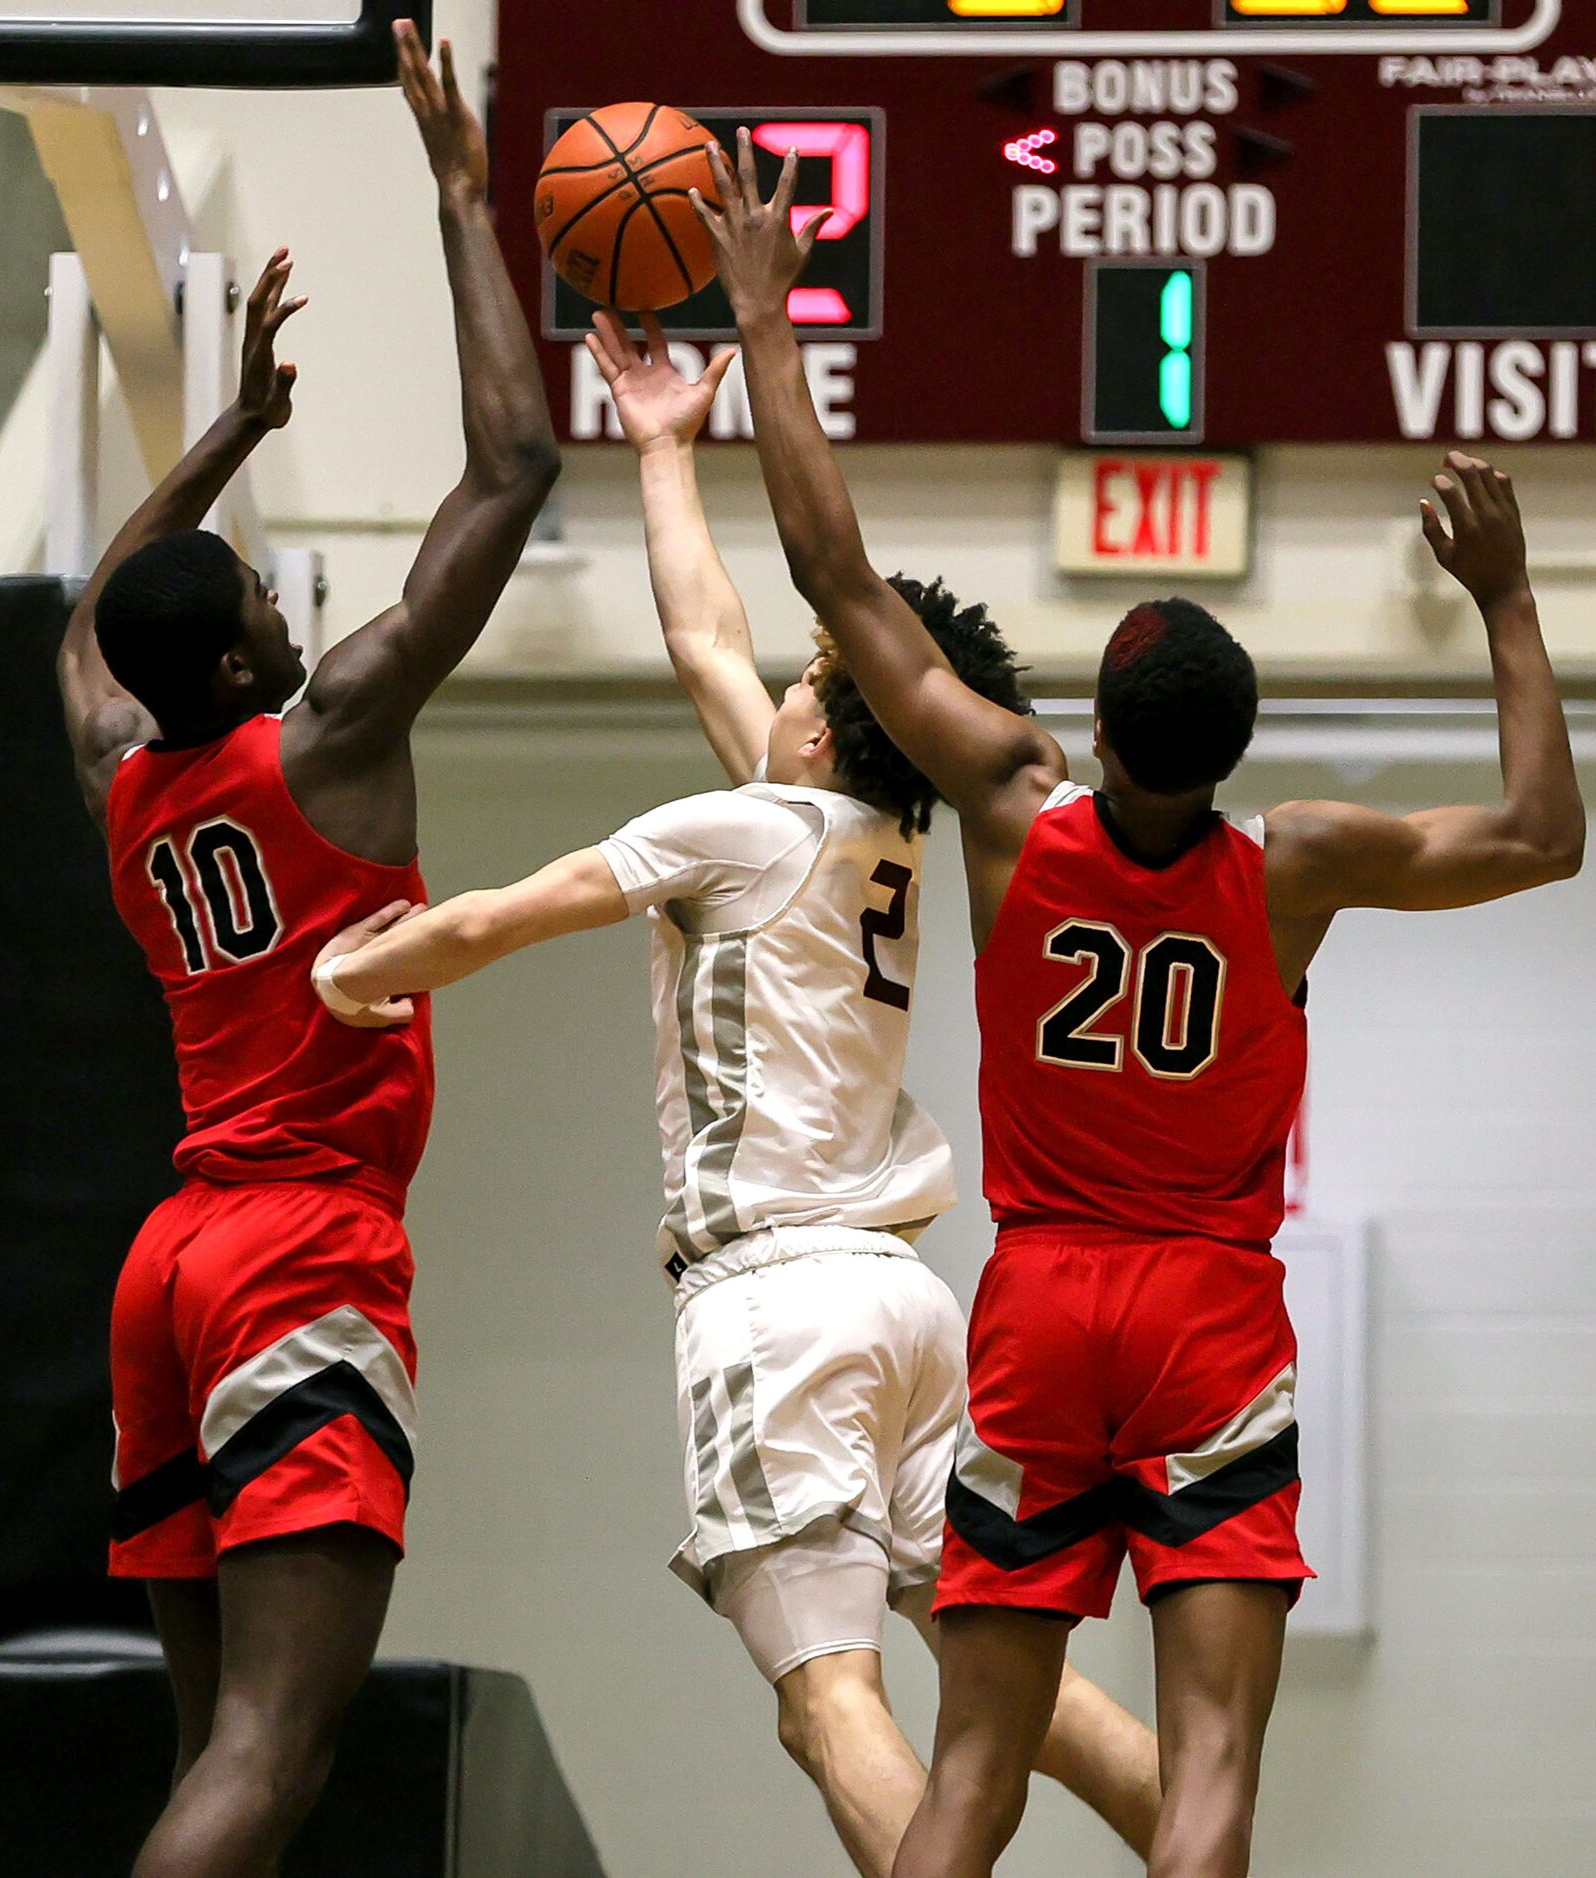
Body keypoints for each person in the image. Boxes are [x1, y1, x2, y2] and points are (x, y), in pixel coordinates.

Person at [690, 133, 1585, 1878]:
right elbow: (1547, 832)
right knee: (1211, 1777)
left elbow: (836, 573)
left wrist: (765, 313)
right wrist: (1506, 595)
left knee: (970, 1779)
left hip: (1039, 1315)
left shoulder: (1019, 806)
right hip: (1209, 1323)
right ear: (1231, 757)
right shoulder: (1297, 864)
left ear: (1101, 730)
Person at [309, 309, 1163, 1878]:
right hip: (910, 1306)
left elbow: (513, 909)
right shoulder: (875, 833)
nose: (771, 677)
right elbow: (708, 643)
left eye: (810, 673)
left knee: (827, 1702)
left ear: (824, 720)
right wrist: (658, 450)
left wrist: (357, 972)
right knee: (1008, 1683)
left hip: (774, 1305)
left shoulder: (737, 831)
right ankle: (1213, 1839)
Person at [53, 26, 559, 1876]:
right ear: (252, 664)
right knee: (273, 1746)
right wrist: (459, 197)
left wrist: (229, 440)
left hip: (168, 1269)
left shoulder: (126, 777)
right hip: (297, 1250)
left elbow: (93, 633)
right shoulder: (329, 731)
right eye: (264, 592)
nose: (283, 588)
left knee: (217, 1747)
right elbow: (513, 465)